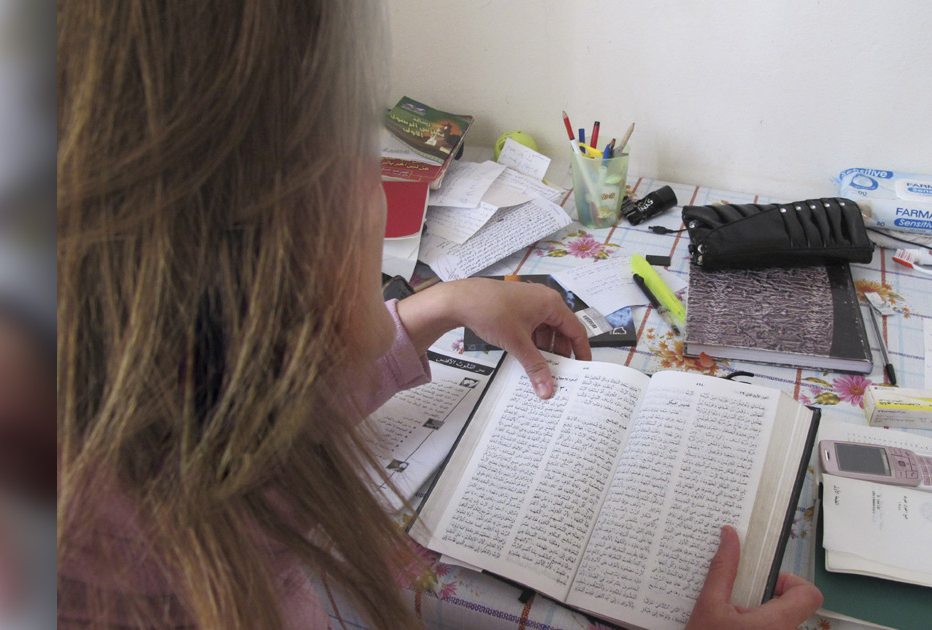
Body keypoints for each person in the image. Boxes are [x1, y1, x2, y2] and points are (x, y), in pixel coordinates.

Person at [57, 2, 822, 629]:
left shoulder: (134, 451)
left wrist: (439, 307)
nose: (381, 184)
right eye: (342, 146)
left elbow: (255, 412)